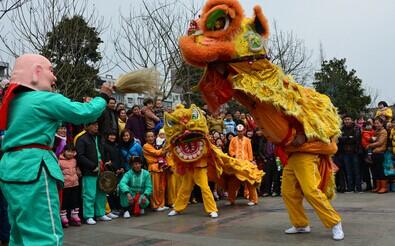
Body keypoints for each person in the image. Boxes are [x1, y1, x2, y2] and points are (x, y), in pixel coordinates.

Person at [0, 54, 112, 245]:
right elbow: (84, 113)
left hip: (10, 169)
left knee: (19, 233)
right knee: (45, 235)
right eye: (51, 70)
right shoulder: (43, 99)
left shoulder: (13, 102)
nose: (55, 77)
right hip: (35, 169)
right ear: (36, 72)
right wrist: (103, 97)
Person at [76, 121, 113, 225]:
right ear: (87, 126)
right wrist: (92, 166)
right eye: (93, 125)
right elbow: (80, 156)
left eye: (97, 125)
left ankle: (100, 213)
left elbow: (103, 152)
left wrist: (105, 162)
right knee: (89, 194)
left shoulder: (99, 137)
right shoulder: (81, 139)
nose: (96, 127)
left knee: (101, 193)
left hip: (101, 170)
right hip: (89, 171)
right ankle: (88, 216)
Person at [227, 124, 258, 205]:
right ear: (236, 131)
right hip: (236, 164)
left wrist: (250, 161)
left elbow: (250, 151)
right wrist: (233, 155)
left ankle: (253, 199)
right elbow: (230, 150)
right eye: (238, 131)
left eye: (241, 131)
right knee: (233, 182)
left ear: (243, 131)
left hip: (246, 164)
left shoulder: (247, 140)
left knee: (249, 182)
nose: (240, 133)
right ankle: (231, 199)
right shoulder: (233, 139)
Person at [143, 131, 169, 212]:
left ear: (154, 137)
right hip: (153, 168)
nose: (150, 138)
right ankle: (155, 205)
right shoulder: (146, 146)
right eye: (148, 137)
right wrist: (165, 147)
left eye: (152, 136)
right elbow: (157, 153)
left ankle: (161, 204)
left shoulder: (155, 145)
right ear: (145, 138)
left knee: (162, 187)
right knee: (155, 188)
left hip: (160, 167)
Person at [58, 144, 81, 228]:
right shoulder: (59, 161)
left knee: (74, 200)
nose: (70, 153)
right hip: (65, 185)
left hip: (75, 184)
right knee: (65, 201)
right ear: (64, 151)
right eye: (68, 151)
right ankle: (63, 216)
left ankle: (74, 215)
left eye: (72, 152)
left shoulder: (74, 160)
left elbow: (76, 169)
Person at [337, 115, 362, 193]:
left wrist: (346, 138)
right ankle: (350, 188)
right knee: (348, 171)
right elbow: (340, 139)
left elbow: (356, 139)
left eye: (348, 119)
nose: (347, 121)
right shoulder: (341, 129)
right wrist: (349, 138)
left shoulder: (356, 128)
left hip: (355, 152)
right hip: (345, 152)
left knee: (356, 170)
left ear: (352, 120)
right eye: (345, 119)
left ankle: (358, 188)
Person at [367, 117, 388, 193]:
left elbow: (380, 143)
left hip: (380, 152)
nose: (376, 125)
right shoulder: (376, 131)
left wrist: (370, 145)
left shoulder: (383, 132)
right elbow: (374, 139)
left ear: (382, 124)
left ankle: (384, 187)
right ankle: (379, 187)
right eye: (375, 123)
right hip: (375, 152)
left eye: (378, 123)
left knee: (380, 170)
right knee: (376, 170)